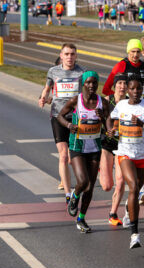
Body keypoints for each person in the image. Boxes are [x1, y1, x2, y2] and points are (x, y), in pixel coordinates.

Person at [107, 76, 144, 249]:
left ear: (143, 89)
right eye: (132, 88)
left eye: (139, 88)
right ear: (127, 90)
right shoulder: (121, 105)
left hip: (143, 154)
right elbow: (111, 119)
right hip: (125, 153)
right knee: (133, 187)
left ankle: (129, 209)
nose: (136, 92)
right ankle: (135, 234)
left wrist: (143, 125)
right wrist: (111, 130)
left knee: (136, 189)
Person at [57, 71, 110, 233]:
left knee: (90, 187)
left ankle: (81, 218)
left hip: (95, 148)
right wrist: (68, 126)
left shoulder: (102, 102)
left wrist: (103, 119)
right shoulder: (76, 101)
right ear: (83, 84)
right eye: (88, 83)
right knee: (83, 181)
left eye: (95, 83)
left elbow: (109, 125)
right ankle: (74, 195)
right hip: (77, 147)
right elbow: (60, 116)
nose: (92, 86)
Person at [38, 43, 86, 207]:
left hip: (76, 117)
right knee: (64, 155)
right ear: (61, 55)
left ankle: (79, 180)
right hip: (58, 115)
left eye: (72, 54)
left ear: (76, 56)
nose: (69, 57)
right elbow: (47, 88)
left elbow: (87, 93)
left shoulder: (81, 73)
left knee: (75, 155)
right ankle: (68, 193)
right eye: (66, 54)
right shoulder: (53, 71)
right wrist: (43, 97)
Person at [99, 73, 128, 226]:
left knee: (121, 181)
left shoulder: (131, 102)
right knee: (106, 186)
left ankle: (113, 212)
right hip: (107, 145)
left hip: (123, 146)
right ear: (114, 85)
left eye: (125, 83)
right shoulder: (105, 101)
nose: (122, 86)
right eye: (119, 83)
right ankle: (100, 167)